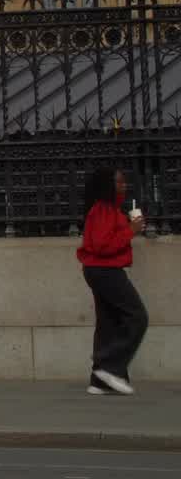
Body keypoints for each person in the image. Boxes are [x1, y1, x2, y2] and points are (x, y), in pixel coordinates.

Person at [77, 167, 147, 396]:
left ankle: (99, 381)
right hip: (105, 271)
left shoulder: (109, 210)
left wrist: (128, 227)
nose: (123, 186)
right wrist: (131, 230)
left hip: (100, 270)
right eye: (118, 183)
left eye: (124, 182)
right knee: (137, 316)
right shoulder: (104, 209)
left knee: (108, 323)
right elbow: (101, 245)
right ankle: (109, 368)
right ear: (108, 186)